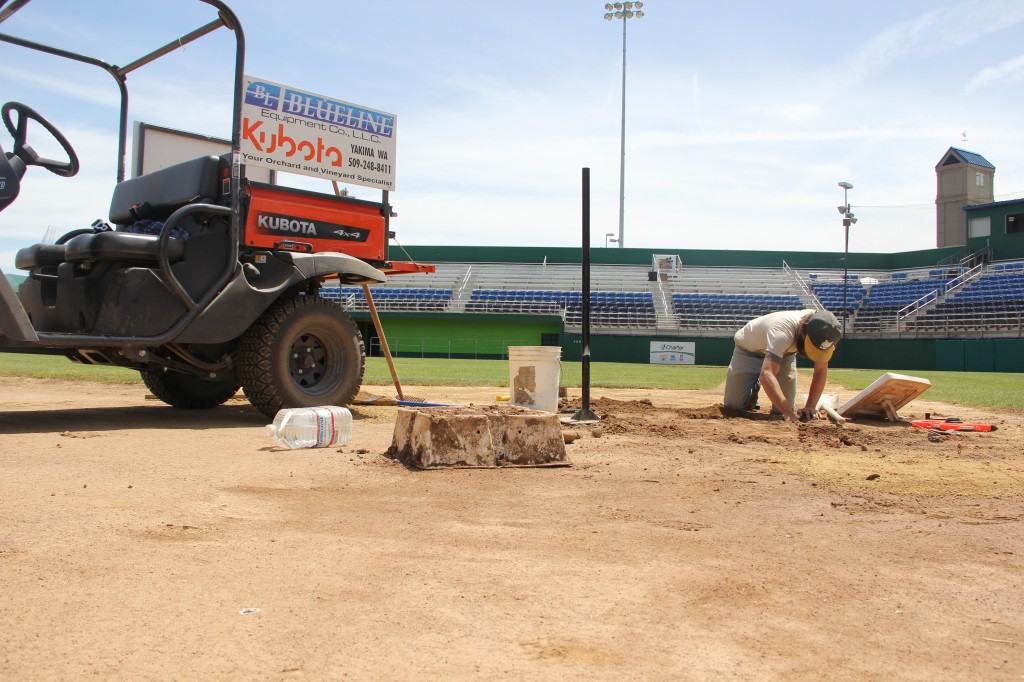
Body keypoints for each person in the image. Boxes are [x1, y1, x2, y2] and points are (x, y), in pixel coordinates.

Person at [723, 308, 842, 423]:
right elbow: (766, 375)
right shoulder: (783, 331)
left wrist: (810, 406)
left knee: (782, 409)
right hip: (749, 349)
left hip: (785, 353)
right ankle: (752, 389)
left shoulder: (826, 332)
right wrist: (789, 414)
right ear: (804, 333)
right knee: (733, 407)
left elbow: (820, 369)